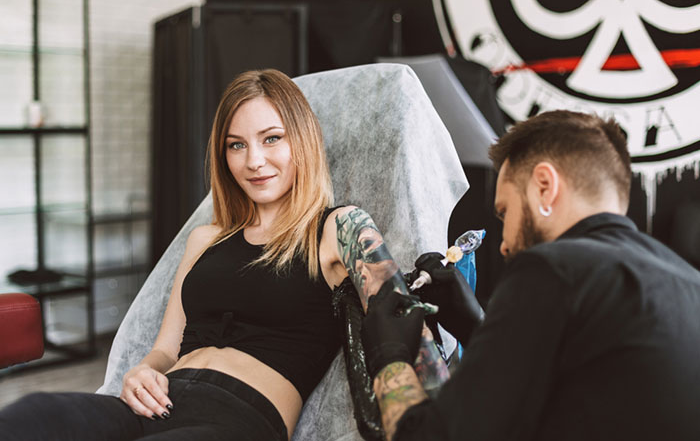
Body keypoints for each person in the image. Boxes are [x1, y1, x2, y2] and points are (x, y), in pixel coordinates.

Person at [0, 69, 448, 440]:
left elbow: (397, 312)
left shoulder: (337, 228)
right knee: (31, 417)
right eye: (237, 145)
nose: (254, 160)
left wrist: (428, 418)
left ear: (302, 142)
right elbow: (164, 350)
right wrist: (141, 372)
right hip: (154, 403)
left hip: (237, 420)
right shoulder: (206, 239)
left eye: (272, 139)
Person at [361, 110, 700, 441]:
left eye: (505, 212)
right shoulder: (688, 284)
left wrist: (388, 356)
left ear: (544, 187)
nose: (504, 245)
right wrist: (476, 326)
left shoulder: (554, 268)